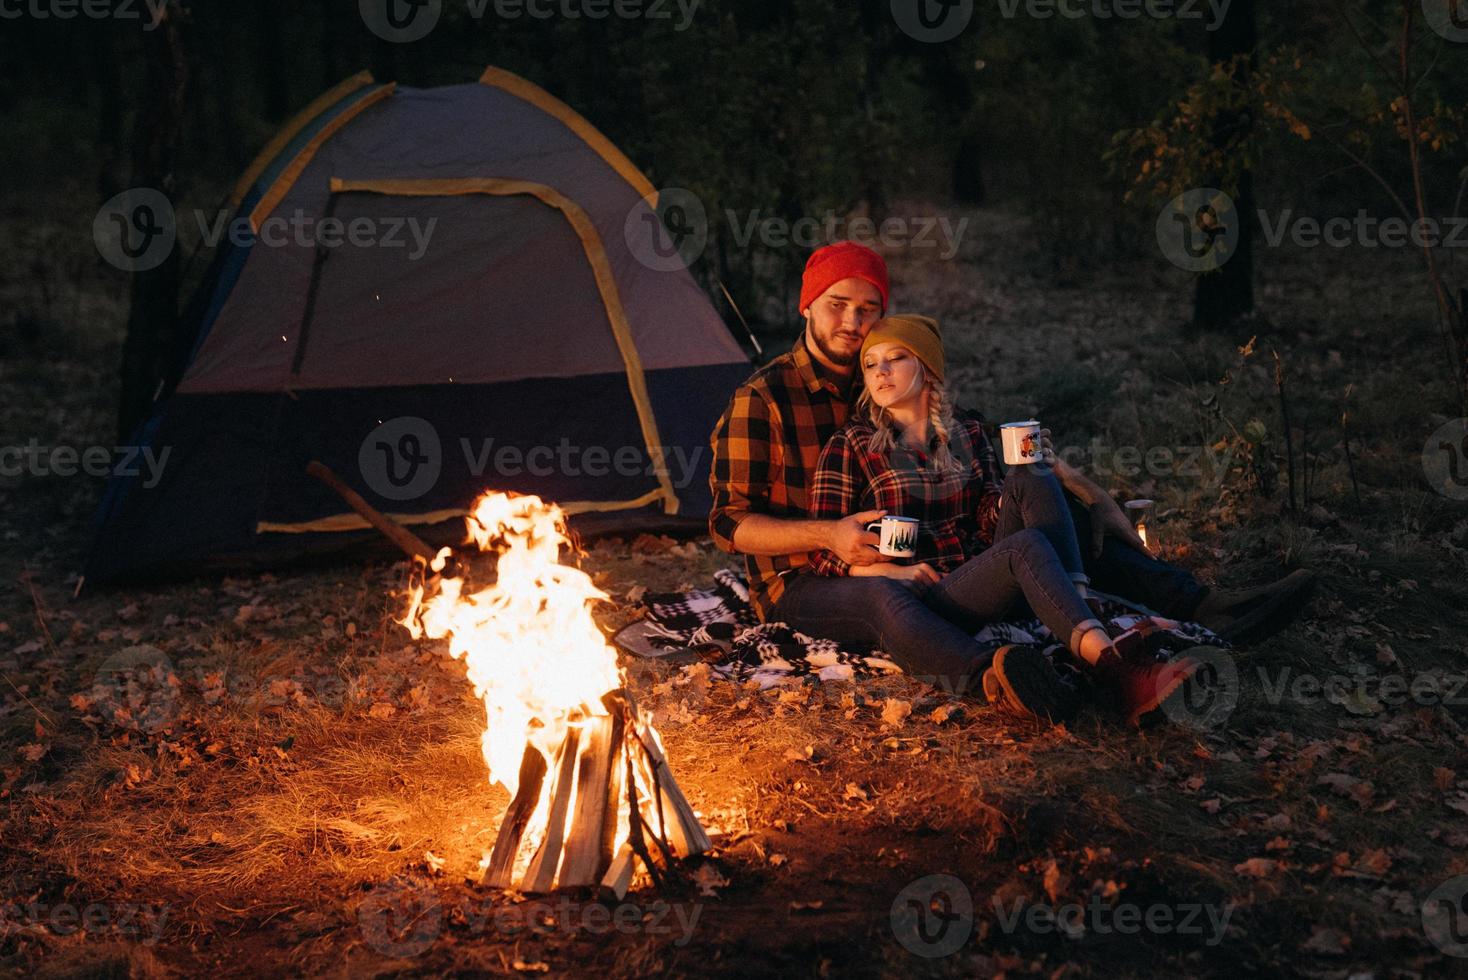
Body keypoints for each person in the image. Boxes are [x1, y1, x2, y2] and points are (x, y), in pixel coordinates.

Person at [707, 242, 1313, 721]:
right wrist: (833, 539)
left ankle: (1201, 607)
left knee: (1052, 509)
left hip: (925, 554)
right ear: (807, 306)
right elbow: (729, 524)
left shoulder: (889, 374)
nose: (853, 321)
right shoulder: (763, 399)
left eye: (868, 310)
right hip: (807, 576)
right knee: (882, 595)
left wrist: (1084, 489)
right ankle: (1001, 675)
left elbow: (991, 446)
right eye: (838, 304)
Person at [806, 313, 1213, 723]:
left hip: (983, 578)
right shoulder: (851, 445)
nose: (881, 372)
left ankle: (1080, 612)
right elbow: (823, 554)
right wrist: (882, 573)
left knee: (1031, 470)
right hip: (929, 598)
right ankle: (1111, 665)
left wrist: (1009, 503)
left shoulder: (966, 431)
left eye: (895, 358)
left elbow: (988, 510)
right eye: (871, 363)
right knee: (1026, 545)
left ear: (928, 369)